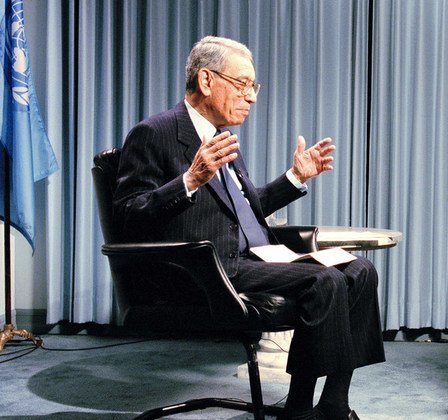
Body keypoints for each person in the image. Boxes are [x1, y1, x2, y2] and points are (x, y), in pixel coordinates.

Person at [113, 35, 384, 420]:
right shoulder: (154, 133)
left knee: (360, 271)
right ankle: (299, 409)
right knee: (323, 281)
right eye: (242, 85)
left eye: (252, 87)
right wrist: (189, 180)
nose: (252, 96)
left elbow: (244, 209)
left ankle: (334, 403)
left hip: (254, 260)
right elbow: (127, 216)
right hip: (204, 269)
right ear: (207, 81)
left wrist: (293, 177)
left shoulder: (223, 138)